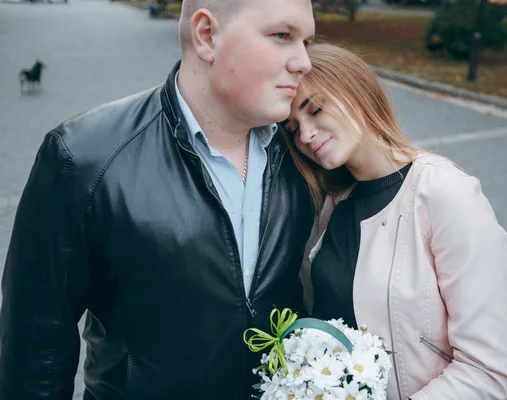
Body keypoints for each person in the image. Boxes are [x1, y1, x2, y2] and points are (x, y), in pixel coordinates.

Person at [0, 0, 315, 398]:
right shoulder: (83, 158)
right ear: (207, 35)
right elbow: (35, 354)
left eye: (307, 41)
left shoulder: (306, 154)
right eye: (283, 36)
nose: (304, 61)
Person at [282, 43, 507, 399]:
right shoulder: (328, 205)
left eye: (314, 109)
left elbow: (486, 372)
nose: (306, 135)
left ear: (357, 90)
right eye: (293, 128)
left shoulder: (447, 195)